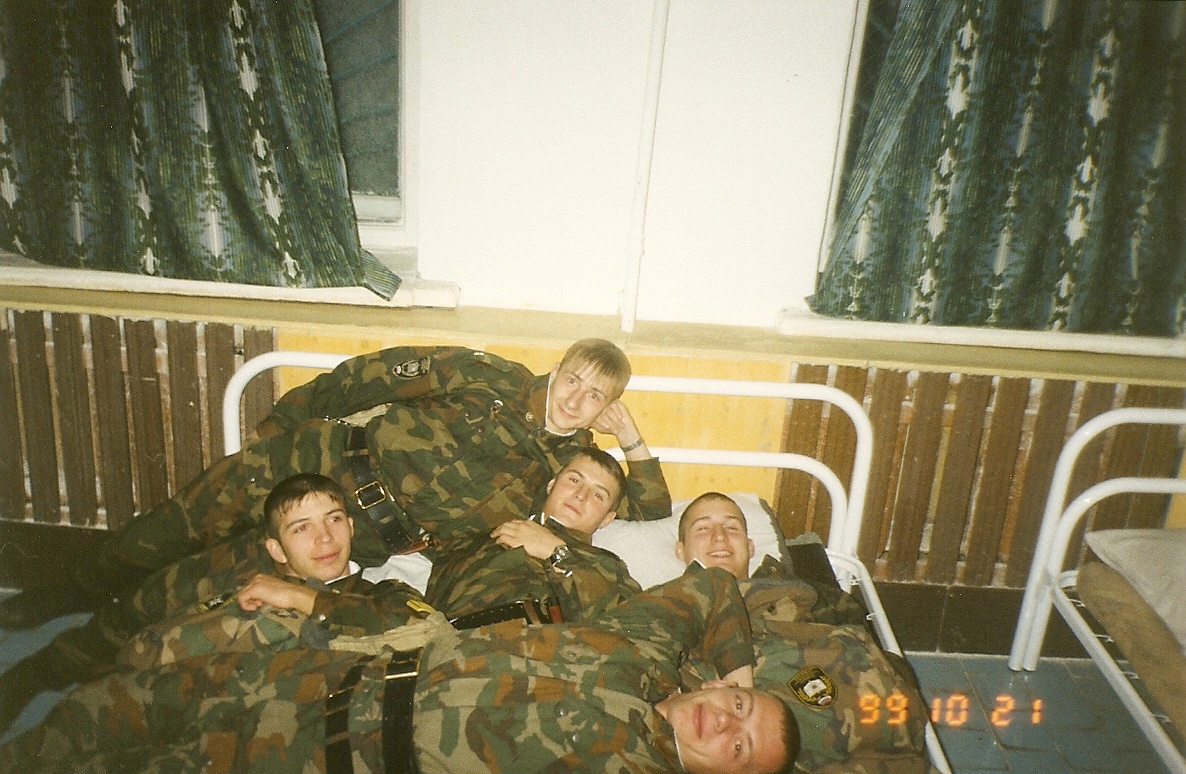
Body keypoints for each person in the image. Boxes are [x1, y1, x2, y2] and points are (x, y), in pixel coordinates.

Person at [0, 340, 670, 710]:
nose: (575, 399)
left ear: (606, 408)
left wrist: (633, 442)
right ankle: (59, 594)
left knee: (185, 588)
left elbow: (646, 513)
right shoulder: (485, 374)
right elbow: (369, 376)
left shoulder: (564, 471)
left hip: (348, 535)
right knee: (161, 532)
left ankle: (46, 669)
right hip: (312, 460)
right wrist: (282, 422)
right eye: (573, 379)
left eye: (596, 396)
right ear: (558, 367)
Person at [0, 567, 800, 774]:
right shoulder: (643, 649)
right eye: (741, 708)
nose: (725, 724)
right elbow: (711, 587)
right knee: (105, 709)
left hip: (318, 762)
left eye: (739, 750)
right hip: (319, 673)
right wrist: (741, 663)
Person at [0, 473, 430, 732]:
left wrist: (304, 598)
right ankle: (37, 674)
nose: (325, 539)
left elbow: (416, 626)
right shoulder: (245, 585)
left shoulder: (380, 587)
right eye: (302, 528)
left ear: (351, 527)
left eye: (334, 520)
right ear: (276, 549)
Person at [675, 493, 932, 772]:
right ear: (680, 550)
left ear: (750, 547)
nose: (719, 537)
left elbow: (859, 639)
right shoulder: (671, 610)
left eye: (732, 527)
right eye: (703, 528)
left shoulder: (798, 591)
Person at [426, 447, 641, 625]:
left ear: (607, 519)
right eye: (575, 480)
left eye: (598, 495)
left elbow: (627, 627)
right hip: (448, 646)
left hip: (529, 652)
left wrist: (557, 554)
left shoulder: (606, 568)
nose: (580, 495)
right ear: (551, 485)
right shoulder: (490, 534)